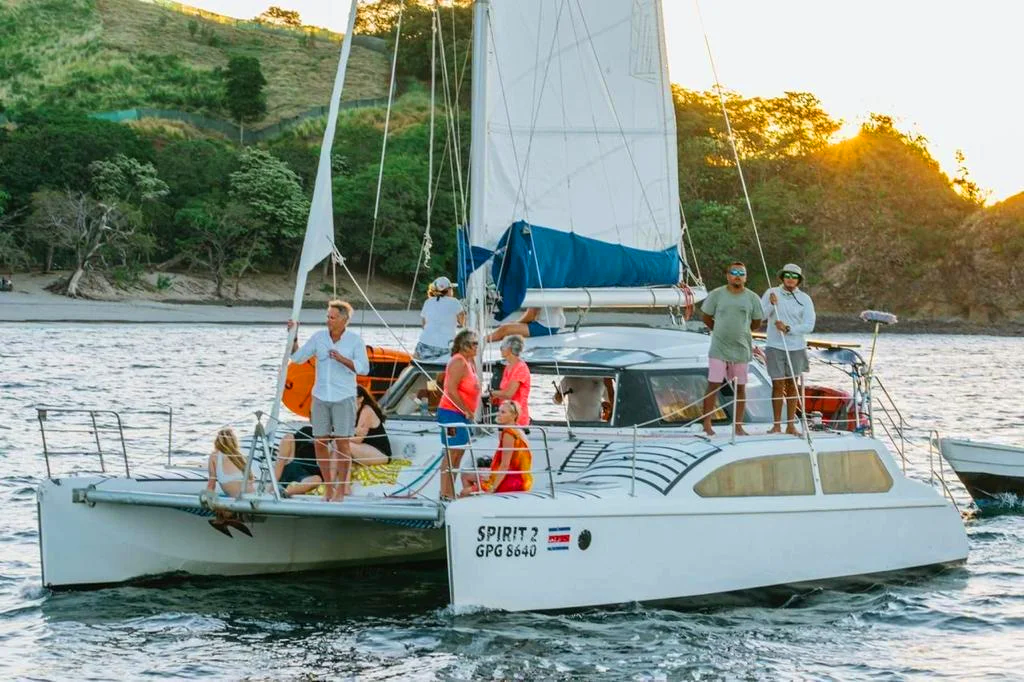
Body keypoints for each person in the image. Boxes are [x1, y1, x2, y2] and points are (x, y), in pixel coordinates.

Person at [288, 300, 370, 501]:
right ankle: (329, 487)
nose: (328, 321)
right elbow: (298, 357)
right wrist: (293, 336)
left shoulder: (354, 341)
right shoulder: (319, 338)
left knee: (343, 445)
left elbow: (364, 368)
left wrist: (343, 360)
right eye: (327, 316)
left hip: (344, 397)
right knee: (320, 443)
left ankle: (341, 490)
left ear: (344, 320)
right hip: (321, 396)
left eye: (332, 317)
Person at [700, 261, 764, 436]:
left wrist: (742, 331)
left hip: (742, 349)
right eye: (734, 272)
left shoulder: (752, 298)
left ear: (745, 277)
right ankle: (706, 423)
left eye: (741, 273)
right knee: (713, 384)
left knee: (741, 387)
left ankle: (738, 425)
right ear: (727, 275)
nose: (737, 275)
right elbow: (706, 316)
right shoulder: (716, 295)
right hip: (719, 347)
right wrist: (718, 329)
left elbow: (757, 321)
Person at [761, 263, 816, 436]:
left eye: (794, 276)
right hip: (775, 346)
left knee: (793, 385)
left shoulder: (805, 299)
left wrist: (789, 328)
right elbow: (761, 316)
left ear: (798, 280)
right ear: (782, 277)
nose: (790, 279)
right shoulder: (772, 293)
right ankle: (776, 425)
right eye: (788, 275)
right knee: (777, 384)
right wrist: (771, 305)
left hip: (796, 347)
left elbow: (809, 325)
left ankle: (791, 425)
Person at [437, 329, 481, 500]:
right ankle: (445, 493)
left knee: (459, 452)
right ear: (465, 345)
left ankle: (450, 491)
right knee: (451, 452)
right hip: (451, 413)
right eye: (474, 343)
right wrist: (466, 410)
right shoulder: (458, 362)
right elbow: (451, 390)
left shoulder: (471, 362)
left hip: (462, 415)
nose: (477, 346)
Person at [460, 401, 533, 496]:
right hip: (513, 476)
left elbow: (505, 465)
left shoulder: (509, 434)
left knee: (464, 492)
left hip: (511, 480)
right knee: (466, 475)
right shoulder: (516, 429)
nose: (499, 414)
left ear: (514, 415)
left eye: (503, 412)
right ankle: (478, 501)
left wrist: (492, 488)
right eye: (499, 411)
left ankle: (477, 500)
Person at [415, 276, 465, 360]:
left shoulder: (428, 302)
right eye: (451, 289)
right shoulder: (454, 302)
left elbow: (424, 325)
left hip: (425, 343)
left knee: (417, 362)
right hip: (446, 346)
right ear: (448, 290)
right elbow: (462, 321)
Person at [489, 335, 531, 426]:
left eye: (502, 347)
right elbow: (504, 393)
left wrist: (492, 393)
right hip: (505, 417)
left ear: (509, 349)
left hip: (516, 418)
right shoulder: (508, 367)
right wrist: (495, 398)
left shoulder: (520, 368)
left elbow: (509, 394)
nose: (500, 350)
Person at [205, 427, 254, 498]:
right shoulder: (240, 457)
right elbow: (251, 481)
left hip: (238, 503)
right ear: (234, 441)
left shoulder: (214, 456)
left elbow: (211, 486)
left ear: (217, 441)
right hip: (253, 500)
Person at [275, 425, 324, 497]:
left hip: (308, 477)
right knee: (288, 437)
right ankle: (275, 485)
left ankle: (286, 492)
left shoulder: (331, 441)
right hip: (292, 466)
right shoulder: (305, 431)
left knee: (317, 479)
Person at [351, 384, 392, 464]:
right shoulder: (352, 412)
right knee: (337, 444)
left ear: (361, 399)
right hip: (365, 448)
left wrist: (338, 437)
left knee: (344, 444)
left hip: (381, 453)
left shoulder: (367, 410)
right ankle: (331, 475)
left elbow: (358, 439)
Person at [486, 306, 564, 343]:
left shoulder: (535, 285)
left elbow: (531, 316)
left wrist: (515, 324)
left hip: (545, 326)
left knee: (504, 329)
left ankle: (481, 341)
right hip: (556, 324)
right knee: (509, 327)